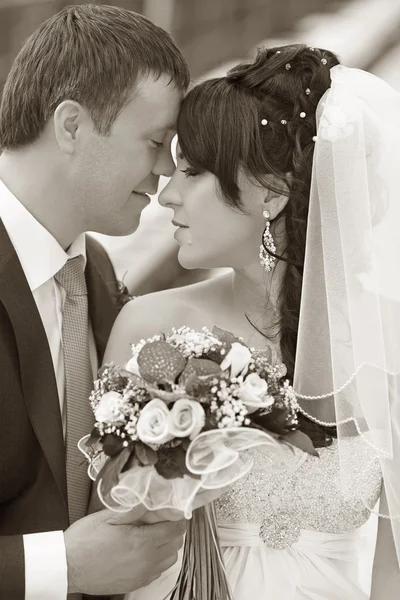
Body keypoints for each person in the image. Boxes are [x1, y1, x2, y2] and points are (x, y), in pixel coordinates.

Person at [105, 43, 400, 599]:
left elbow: (396, 567)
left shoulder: (389, 341)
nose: (166, 194)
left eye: (192, 171)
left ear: (271, 193)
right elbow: (112, 536)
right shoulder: (150, 324)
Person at [0, 4, 190, 600]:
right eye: (157, 141)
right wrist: (59, 568)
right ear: (72, 126)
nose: (166, 170)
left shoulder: (98, 276)